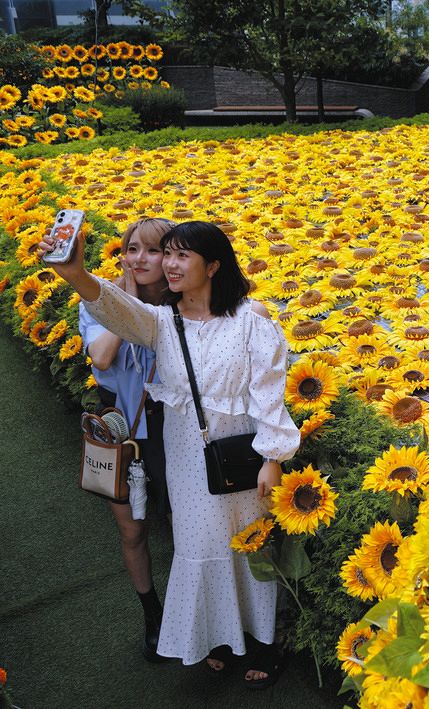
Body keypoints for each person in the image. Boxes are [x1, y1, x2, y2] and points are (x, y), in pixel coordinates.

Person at [41, 220, 300, 690]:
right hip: (185, 455)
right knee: (199, 547)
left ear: (214, 265)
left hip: (240, 454)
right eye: (169, 255)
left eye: (182, 256)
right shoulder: (160, 320)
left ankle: (266, 643)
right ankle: (220, 640)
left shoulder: (250, 317)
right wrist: (74, 273)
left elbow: (269, 393)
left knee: (252, 549)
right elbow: (114, 309)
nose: (169, 265)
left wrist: (273, 457)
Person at [78, 217, 174, 663]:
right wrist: (125, 304)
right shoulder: (100, 299)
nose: (140, 259)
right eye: (131, 249)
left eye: (152, 250)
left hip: (173, 428)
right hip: (119, 429)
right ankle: (151, 614)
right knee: (131, 530)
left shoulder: (186, 304)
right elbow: (100, 355)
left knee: (185, 526)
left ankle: (192, 610)